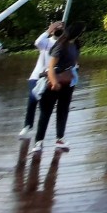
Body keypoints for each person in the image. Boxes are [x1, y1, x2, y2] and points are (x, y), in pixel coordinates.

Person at [32, 21, 84, 154]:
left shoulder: (75, 45)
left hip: (68, 82)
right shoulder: (61, 45)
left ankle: (60, 138)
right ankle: (39, 141)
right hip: (54, 81)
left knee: (63, 110)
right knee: (46, 113)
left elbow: (74, 62)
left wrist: (74, 73)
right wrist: (54, 82)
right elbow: (51, 67)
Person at [19, 21, 62, 139]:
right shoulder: (46, 42)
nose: (58, 28)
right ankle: (28, 125)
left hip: (51, 77)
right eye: (56, 27)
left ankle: (39, 136)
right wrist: (49, 30)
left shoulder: (62, 44)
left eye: (60, 27)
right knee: (33, 99)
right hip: (37, 75)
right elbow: (37, 42)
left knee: (44, 107)